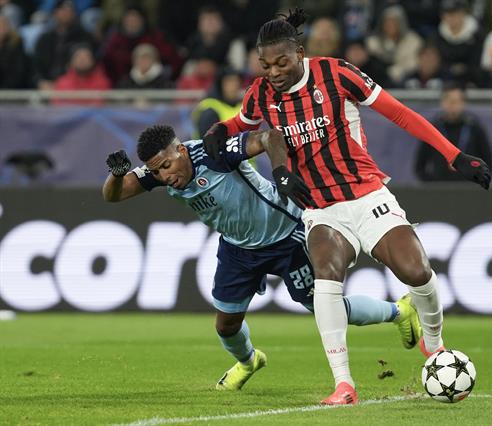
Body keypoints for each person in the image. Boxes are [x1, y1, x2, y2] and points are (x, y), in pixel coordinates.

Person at [203, 9, 491, 405]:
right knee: (326, 273)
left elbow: (401, 114)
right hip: (320, 209)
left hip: (367, 194)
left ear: (300, 53)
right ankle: (344, 385)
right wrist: (220, 130)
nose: (273, 72)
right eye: (265, 64)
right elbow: (241, 122)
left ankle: (434, 342)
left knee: (416, 270)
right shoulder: (261, 93)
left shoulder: (338, 74)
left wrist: (454, 155)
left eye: (282, 62)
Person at [102, 124, 412, 392]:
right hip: (238, 249)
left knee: (322, 307)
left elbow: (270, 138)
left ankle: (399, 312)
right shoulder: (160, 171)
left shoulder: (214, 153)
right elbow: (113, 195)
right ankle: (249, 362)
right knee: (225, 325)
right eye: (156, 171)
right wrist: (116, 175)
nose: (163, 176)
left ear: (180, 150)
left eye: (166, 166)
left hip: (285, 234)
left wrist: (280, 173)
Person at [415, 84, 492, 181]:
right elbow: (419, 165)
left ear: (463, 103)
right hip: (439, 190)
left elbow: (489, 162)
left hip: (468, 191)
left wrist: (476, 183)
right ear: (442, 102)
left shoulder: (474, 128)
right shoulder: (433, 129)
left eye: (456, 101)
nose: (452, 105)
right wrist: (431, 185)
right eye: (449, 101)